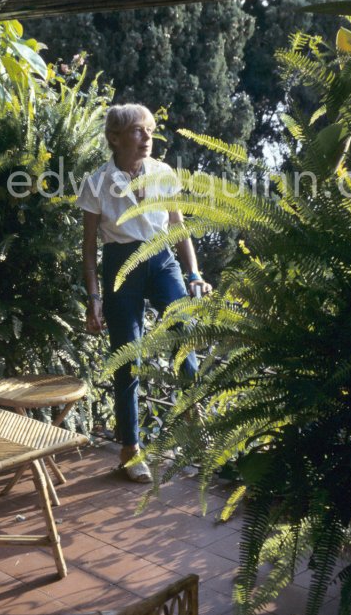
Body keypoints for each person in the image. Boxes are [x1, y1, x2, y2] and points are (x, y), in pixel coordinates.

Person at [77, 104, 211, 483]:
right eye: (138, 131)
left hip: (162, 258)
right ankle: (131, 450)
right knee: (127, 358)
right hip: (122, 266)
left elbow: (178, 227)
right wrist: (94, 298)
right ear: (115, 138)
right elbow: (89, 248)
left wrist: (194, 273)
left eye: (149, 130)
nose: (147, 137)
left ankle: (193, 413)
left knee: (183, 333)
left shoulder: (164, 174)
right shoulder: (97, 183)